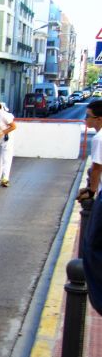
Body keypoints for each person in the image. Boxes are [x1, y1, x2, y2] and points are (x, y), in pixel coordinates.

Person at [78, 100, 102, 315]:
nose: (86, 120)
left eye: (89, 116)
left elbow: (96, 169)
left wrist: (91, 192)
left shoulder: (100, 137)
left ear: (99, 119)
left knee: (91, 245)